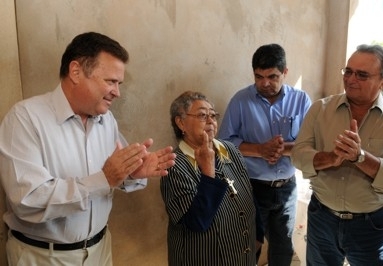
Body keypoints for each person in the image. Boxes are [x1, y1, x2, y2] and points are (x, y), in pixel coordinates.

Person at [0, 32, 176, 266]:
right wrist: (104, 179)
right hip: (44, 257)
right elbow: (27, 201)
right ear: (76, 71)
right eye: (111, 81)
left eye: (119, 83)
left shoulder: (107, 120)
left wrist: (131, 172)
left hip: (100, 251)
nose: (117, 92)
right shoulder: (25, 119)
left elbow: (113, 175)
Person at [291, 44, 383, 266]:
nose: (351, 79)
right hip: (323, 218)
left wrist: (360, 157)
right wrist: (331, 158)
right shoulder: (320, 109)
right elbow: (298, 155)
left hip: (372, 225)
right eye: (348, 71)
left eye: (362, 75)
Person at [218, 43, 312, 266]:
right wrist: (260, 150)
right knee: (248, 248)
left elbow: (310, 142)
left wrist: (283, 148)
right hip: (251, 187)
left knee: (283, 249)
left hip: (287, 187)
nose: (265, 83)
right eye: (258, 77)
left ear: (285, 72)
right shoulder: (240, 100)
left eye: (272, 76)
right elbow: (223, 144)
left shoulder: (301, 100)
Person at [160, 91, 264, 266]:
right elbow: (197, 222)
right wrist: (208, 172)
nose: (211, 121)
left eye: (213, 115)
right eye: (202, 115)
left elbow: (248, 192)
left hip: (242, 256)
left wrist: (258, 233)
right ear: (181, 123)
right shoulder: (173, 166)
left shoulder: (229, 149)